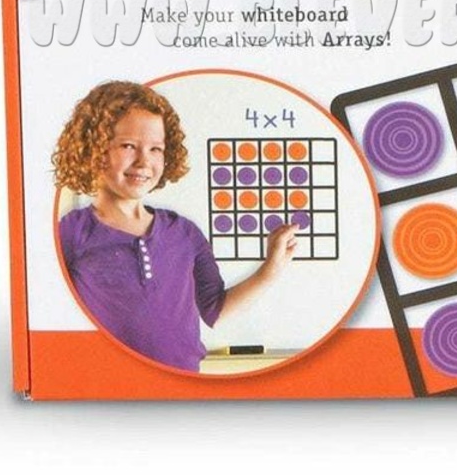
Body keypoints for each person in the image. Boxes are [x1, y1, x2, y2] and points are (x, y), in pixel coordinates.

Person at [54, 80, 296, 372]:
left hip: (183, 384)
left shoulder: (184, 233)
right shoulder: (70, 233)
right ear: (93, 149)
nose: (144, 161)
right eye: (128, 146)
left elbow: (215, 309)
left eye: (156, 149)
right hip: (109, 385)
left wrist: (271, 269)